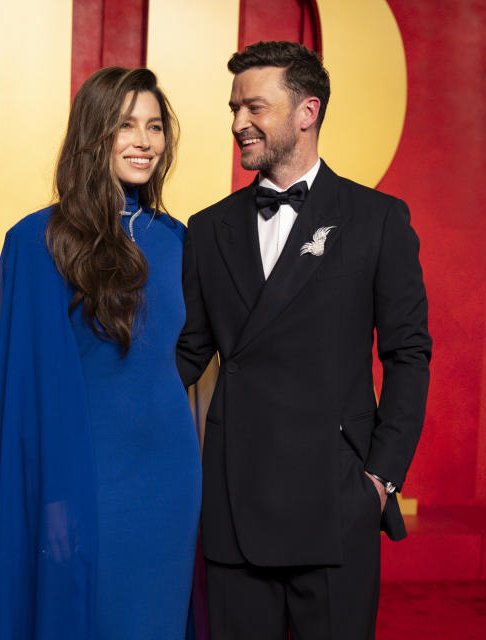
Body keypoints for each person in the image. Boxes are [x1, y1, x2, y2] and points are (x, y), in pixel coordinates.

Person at [177, 41, 432, 639]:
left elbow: (408, 354)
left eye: (255, 107)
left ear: (306, 112)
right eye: (234, 108)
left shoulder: (378, 219)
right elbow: (187, 354)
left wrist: (379, 480)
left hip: (335, 504)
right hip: (235, 504)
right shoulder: (208, 228)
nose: (239, 123)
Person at [0, 67, 201, 640]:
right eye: (125, 125)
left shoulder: (180, 240)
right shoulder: (37, 241)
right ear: (93, 133)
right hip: (89, 483)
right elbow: (27, 392)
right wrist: (51, 502)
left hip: (173, 480)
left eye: (154, 127)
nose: (144, 142)